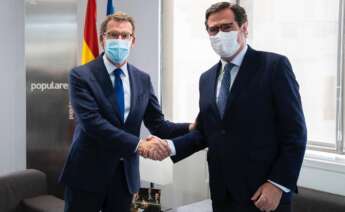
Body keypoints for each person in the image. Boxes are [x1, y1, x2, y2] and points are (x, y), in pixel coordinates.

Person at [144, 2, 307, 212]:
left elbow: (295, 133)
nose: (220, 34)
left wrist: (277, 184)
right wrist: (169, 147)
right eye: (213, 29)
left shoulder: (274, 67)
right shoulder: (206, 78)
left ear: (244, 28)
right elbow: (206, 132)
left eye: (227, 27)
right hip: (222, 193)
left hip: (263, 194)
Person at [59, 11, 193, 212]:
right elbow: (92, 123)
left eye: (125, 35)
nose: (119, 40)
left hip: (124, 177)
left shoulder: (142, 79)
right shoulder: (81, 76)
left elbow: (158, 124)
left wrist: (191, 127)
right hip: (86, 174)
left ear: (133, 40)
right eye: (113, 35)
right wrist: (139, 145)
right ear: (102, 39)